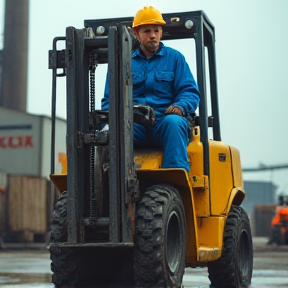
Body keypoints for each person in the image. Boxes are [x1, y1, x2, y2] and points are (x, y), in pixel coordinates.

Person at [101, 6, 200, 172]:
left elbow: (189, 91)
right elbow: (109, 99)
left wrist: (181, 107)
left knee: (174, 123)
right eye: (147, 31)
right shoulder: (123, 63)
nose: (153, 35)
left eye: (156, 30)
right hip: (133, 125)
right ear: (136, 33)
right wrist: (110, 119)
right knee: (110, 132)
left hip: (164, 121)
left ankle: (173, 179)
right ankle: (111, 177)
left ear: (161, 32)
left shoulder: (175, 59)